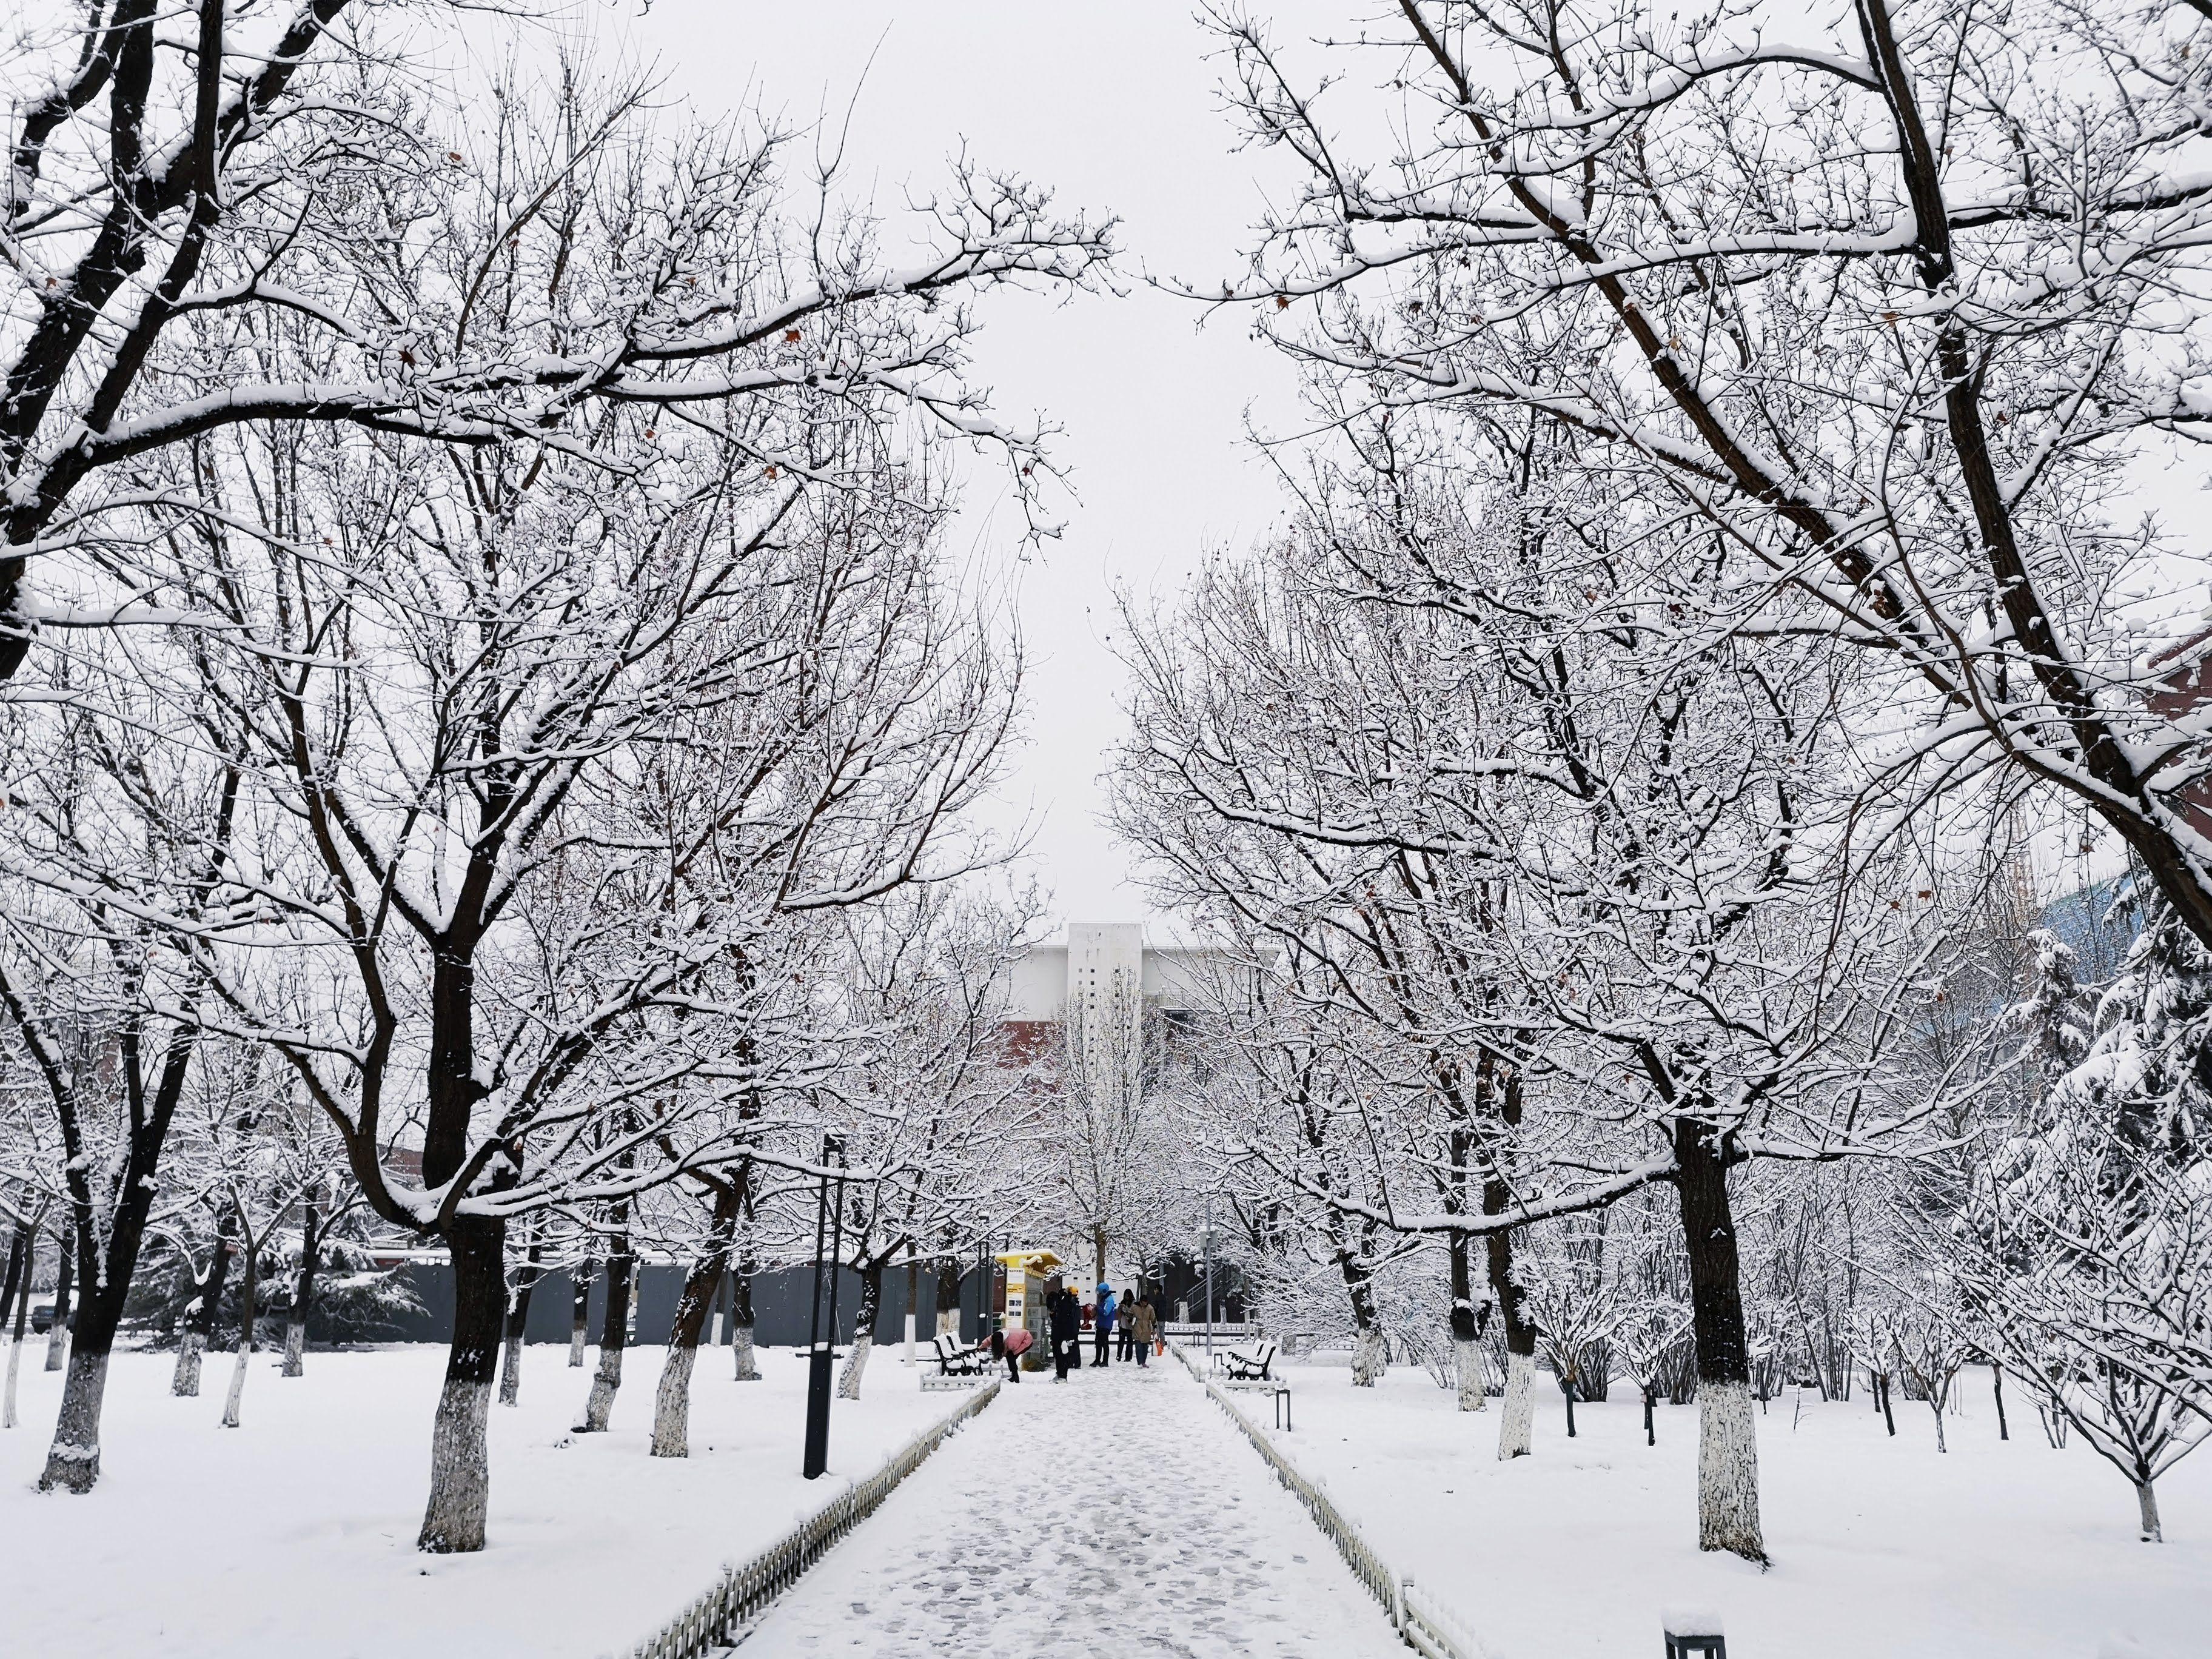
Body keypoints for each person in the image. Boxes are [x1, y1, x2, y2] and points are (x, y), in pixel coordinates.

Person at [1048, 1281, 1081, 1381]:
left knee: (1061, 1355)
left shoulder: (1065, 1305)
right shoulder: (1071, 1305)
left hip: (1062, 1335)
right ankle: (1061, 1374)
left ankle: (1062, 1376)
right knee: (1063, 1355)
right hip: (1066, 1334)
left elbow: (1061, 1321)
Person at [1130, 1291, 1156, 1367]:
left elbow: (1153, 1318)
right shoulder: (1135, 1307)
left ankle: (1143, 1362)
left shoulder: (1150, 1308)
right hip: (1137, 1328)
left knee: (1145, 1348)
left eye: (1146, 1303)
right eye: (1143, 1303)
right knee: (1138, 1347)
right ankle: (1140, 1363)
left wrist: (1154, 1327)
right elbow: (1130, 1315)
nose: (1144, 1304)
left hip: (1146, 1330)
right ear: (1140, 1302)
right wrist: (1131, 1321)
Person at [1093, 1282, 1115, 1367]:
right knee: (1098, 1343)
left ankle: (1105, 1361)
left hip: (1105, 1325)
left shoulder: (1109, 1300)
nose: (1099, 1294)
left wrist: (1097, 1308)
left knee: (1104, 1343)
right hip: (1101, 1324)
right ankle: (1097, 1360)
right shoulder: (1104, 1298)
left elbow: (1106, 1312)